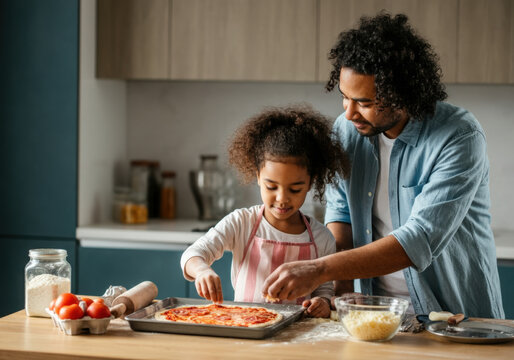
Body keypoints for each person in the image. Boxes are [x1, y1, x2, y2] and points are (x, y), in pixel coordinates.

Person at [262, 12, 504, 318]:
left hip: (454, 317)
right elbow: (342, 214)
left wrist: (319, 269)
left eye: (364, 102)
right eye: (344, 97)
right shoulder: (347, 130)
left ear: (402, 96)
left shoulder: (458, 136)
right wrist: (340, 294)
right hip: (377, 314)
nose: (349, 113)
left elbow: (418, 239)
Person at [180, 104, 350, 318]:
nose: (282, 198)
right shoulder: (241, 223)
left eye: (295, 189)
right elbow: (192, 255)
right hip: (245, 328)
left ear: (310, 182)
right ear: (258, 176)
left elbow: (324, 289)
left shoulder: (321, 237)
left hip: (298, 336)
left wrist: (321, 303)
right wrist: (202, 271)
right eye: (271, 187)